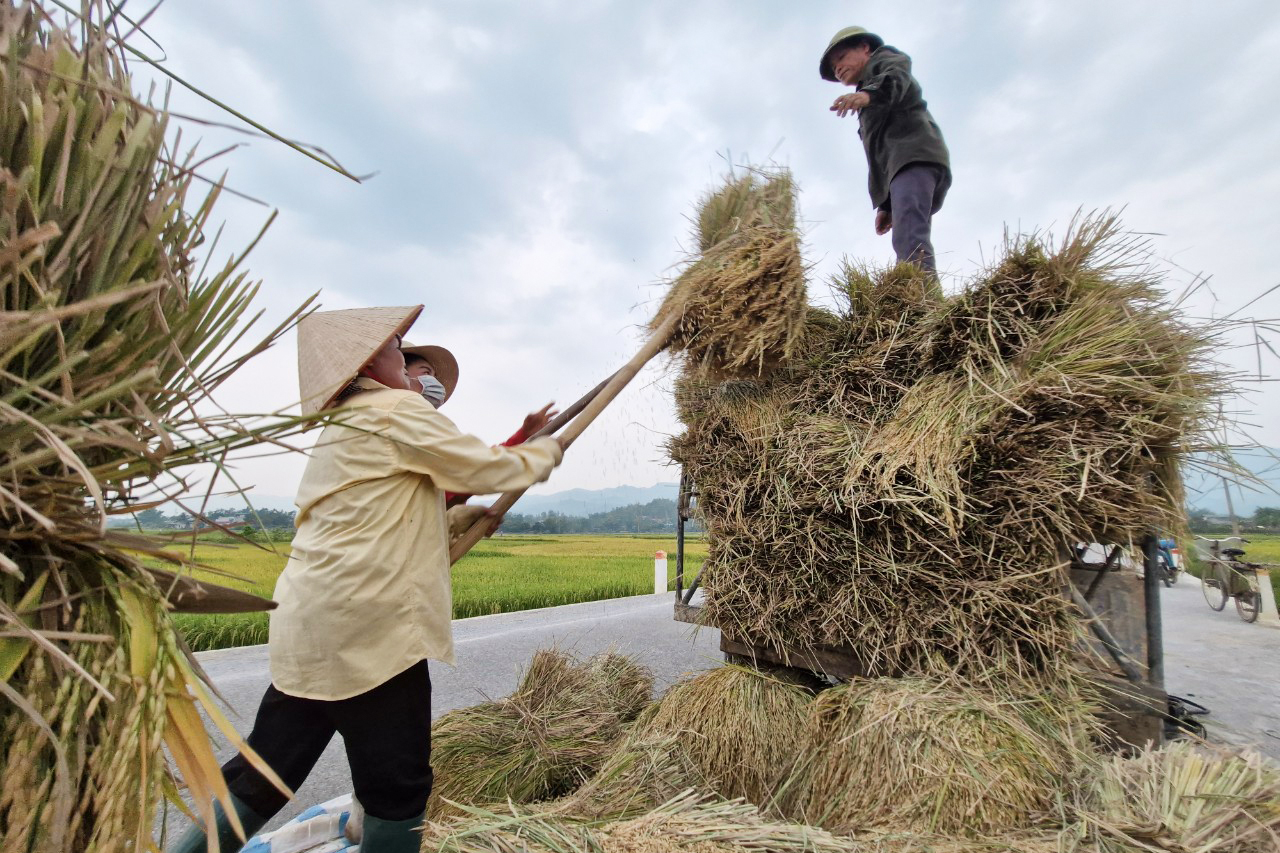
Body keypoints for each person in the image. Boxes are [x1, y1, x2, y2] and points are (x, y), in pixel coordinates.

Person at [171, 305, 564, 853]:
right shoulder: (393, 409)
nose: (404, 356)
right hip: (373, 632)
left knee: (264, 772)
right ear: (366, 363)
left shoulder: (343, 425)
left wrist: (453, 519)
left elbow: (383, 512)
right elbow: (484, 467)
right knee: (396, 788)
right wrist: (545, 451)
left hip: (311, 627)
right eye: (397, 347)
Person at [820, 25, 951, 278]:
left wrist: (869, 95)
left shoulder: (886, 61)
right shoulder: (865, 95)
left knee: (910, 235)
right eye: (833, 66)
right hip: (905, 166)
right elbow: (879, 153)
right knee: (907, 232)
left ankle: (923, 303)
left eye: (841, 57)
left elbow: (898, 79)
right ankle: (918, 296)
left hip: (916, 156)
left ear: (865, 48)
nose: (837, 68)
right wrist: (885, 204)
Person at [400, 341, 558, 507]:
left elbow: (449, 489)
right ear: (401, 372)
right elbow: (473, 469)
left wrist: (455, 520)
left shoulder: (415, 422)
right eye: (426, 373)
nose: (434, 382)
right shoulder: (406, 421)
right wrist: (546, 452)